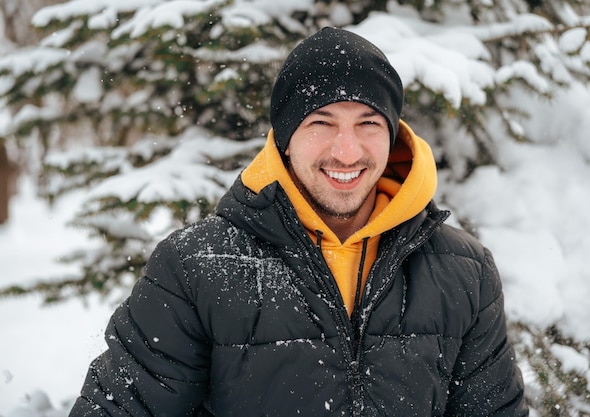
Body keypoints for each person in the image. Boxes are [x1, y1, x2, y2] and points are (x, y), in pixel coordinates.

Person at [69, 27, 528, 416]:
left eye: (368, 123)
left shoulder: (463, 271)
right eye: (321, 123)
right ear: (285, 140)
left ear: (393, 137)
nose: (346, 152)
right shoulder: (195, 268)